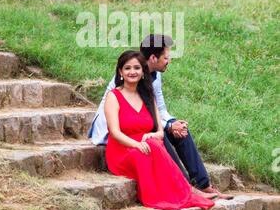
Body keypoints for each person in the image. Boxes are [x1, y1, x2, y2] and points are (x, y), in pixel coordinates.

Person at [89, 34, 233, 200]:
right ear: (153, 58)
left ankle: (203, 185)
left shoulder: (155, 77)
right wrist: (167, 127)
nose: (168, 61)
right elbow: (123, 117)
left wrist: (172, 124)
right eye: (166, 57)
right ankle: (184, 186)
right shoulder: (126, 80)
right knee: (159, 140)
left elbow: (160, 108)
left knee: (181, 132)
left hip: (143, 126)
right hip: (122, 127)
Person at [105, 50, 215, 210]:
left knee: (153, 143)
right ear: (120, 72)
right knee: (145, 152)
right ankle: (184, 190)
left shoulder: (148, 96)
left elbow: (160, 132)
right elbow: (115, 132)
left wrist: (152, 135)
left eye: (136, 68)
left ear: (143, 71)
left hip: (147, 146)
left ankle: (185, 190)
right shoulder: (113, 96)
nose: (132, 72)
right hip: (123, 150)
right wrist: (136, 144)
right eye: (127, 68)